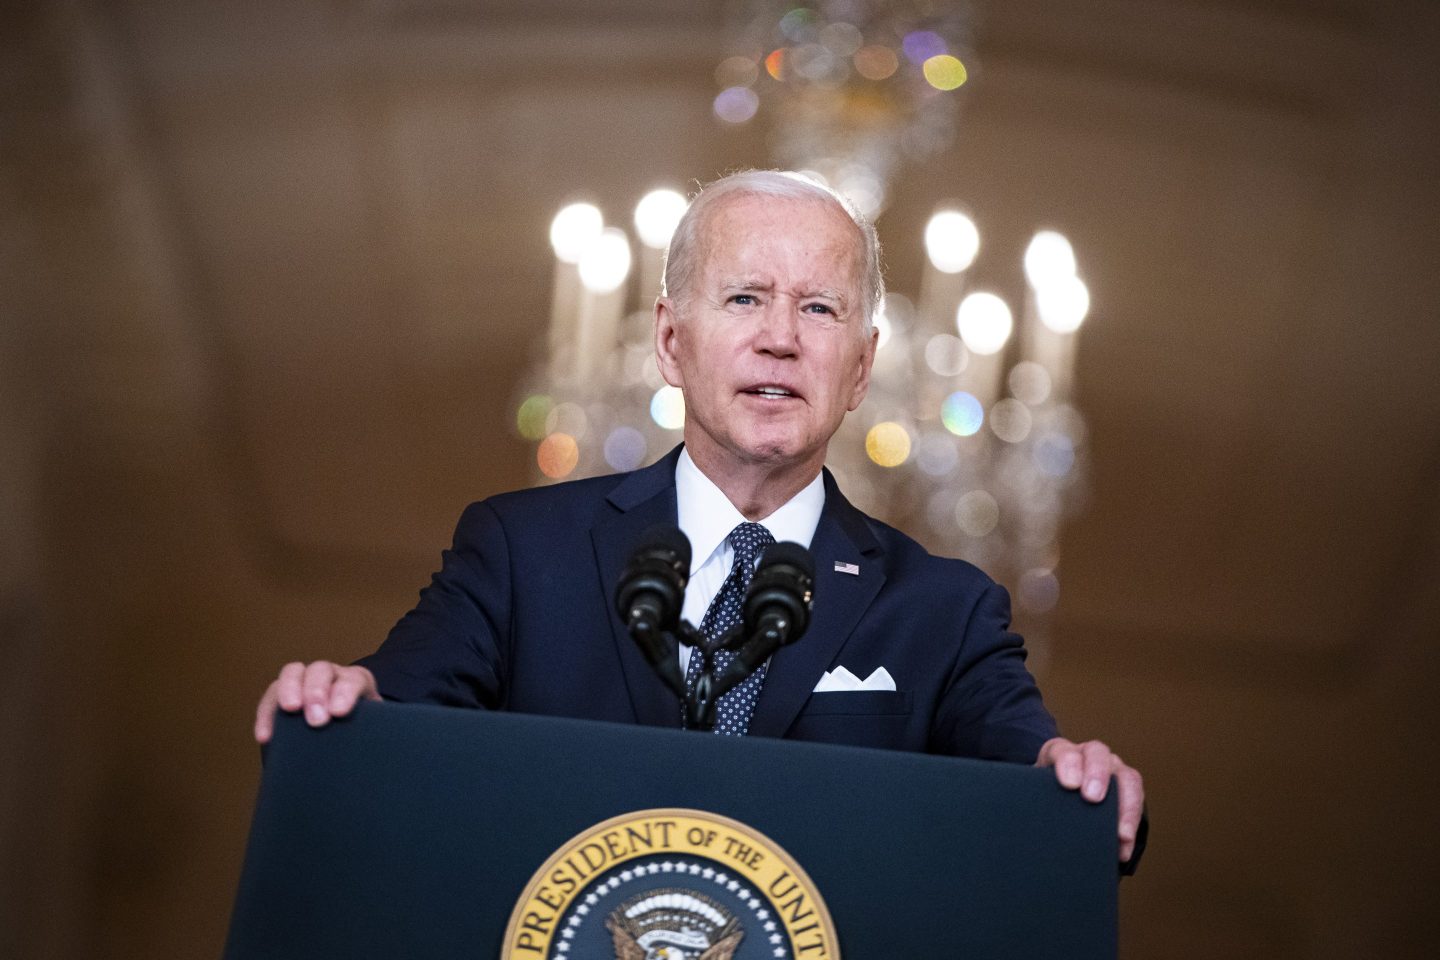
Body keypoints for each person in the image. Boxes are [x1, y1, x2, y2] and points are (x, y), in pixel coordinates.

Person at [254, 170, 1145, 869]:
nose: (782, 337)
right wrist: (345, 707)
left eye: (821, 308)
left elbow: (1034, 777)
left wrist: (1072, 782)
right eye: (746, 298)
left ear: (862, 370)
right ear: (671, 341)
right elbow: (394, 708)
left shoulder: (945, 612)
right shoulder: (524, 553)